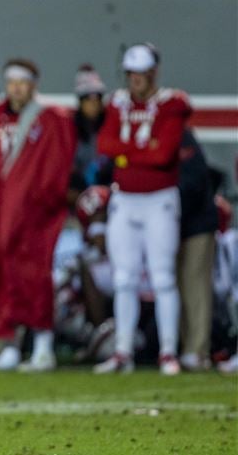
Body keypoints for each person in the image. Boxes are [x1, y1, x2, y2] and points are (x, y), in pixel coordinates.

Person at [0, 59, 75, 373]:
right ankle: (9, 344)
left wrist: (35, 201)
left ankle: (43, 345)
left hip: (34, 216)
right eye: (11, 83)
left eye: (22, 83)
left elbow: (55, 169)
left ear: (33, 85)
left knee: (35, 278)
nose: (16, 89)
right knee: (2, 279)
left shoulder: (51, 119)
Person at [94, 44, 192, 375]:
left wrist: (128, 153)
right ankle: (123, 351)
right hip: (125, 198)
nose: (135, 80)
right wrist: (139, 150)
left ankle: (168, 351)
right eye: (131, 74)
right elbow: (105, 146)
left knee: (163, 278)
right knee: (124, 279)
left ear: (154, 72)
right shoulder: (117, 103)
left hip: (159, 199)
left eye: (141, 73)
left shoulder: (173, 102)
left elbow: (163, 154)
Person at [176, 129, 217, 372]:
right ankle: (185, 347)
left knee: (195, 284)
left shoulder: (182, 136)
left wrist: (168, 203)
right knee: (176, 286)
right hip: (173, 224)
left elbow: (195, 178)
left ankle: (198, 350)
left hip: (196, 223)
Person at [70, 64, 111, 193]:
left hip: (108, 189)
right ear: (81, 102)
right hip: (79, 191)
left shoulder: (110, 124)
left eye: (97, 98)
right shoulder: (70, 128)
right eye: (88, 99)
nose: (94, 104)